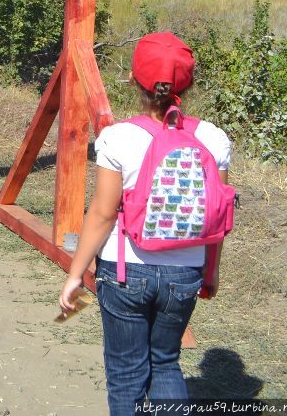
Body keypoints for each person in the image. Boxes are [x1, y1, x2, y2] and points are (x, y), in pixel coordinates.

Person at [58, 32, 232, 416]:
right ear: (188, 83)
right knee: (166, 363)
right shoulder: (213, 139)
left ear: (135, 79)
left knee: (126, 373)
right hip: (185, 273)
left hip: (124, 272)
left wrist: (76, 273)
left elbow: (103, 214)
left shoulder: (118, 138)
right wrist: (210, 271)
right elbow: (214, 217)